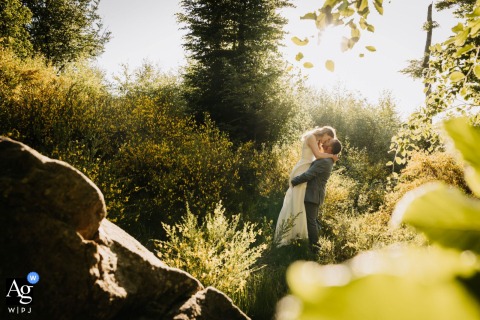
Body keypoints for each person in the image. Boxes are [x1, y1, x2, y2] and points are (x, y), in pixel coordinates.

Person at [274, 126, 338, 246]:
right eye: (328, 138)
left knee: (299, 205)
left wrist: (330, 156)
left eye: (329, 141)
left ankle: (297, 235)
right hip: (302, 170)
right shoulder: (311, 137)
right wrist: (331, 156)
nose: (326, 142)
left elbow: (319, 157)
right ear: (324, 133)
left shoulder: (318, 142)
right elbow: (318, 156)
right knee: (295, 202)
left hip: (307, 172)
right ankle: (288, 234)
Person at [290, 138, 342, 249]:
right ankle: (313, 241)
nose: (325, 142)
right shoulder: (326, 159)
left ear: (330, 148)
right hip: (314, 194)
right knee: (312, 220)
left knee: (311, 221)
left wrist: (294, 180)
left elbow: (308, 175)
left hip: (313, 195)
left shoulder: (325, 161)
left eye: (328, 142)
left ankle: (315, 246)